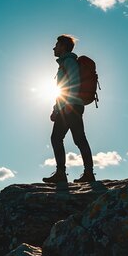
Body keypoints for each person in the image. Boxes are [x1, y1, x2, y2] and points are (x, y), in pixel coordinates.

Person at [43, 35, 95, 183]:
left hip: (70, 106)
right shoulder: (65, 63)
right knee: (77, 139)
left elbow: (72, 83)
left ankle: (64, 174)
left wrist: (63, 107)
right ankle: (86, 173)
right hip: (70, 106)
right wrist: (56, 108)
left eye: (57, 45)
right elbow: (61, 89)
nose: (54, 48)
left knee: (60, 138)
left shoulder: (69, 62)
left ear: (63, 47)